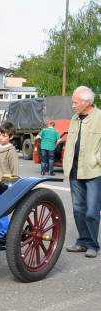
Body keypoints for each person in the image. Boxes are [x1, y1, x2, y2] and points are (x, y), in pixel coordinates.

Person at [64, 86, 101, 258]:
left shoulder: (99, 117)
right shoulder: (74, 118)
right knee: (78, 209)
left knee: (91, 210)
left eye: (75, 102)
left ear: (87, 102)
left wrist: (96, 159)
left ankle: (93, 245)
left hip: (93, 170)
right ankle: (83, 241)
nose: (73, 105)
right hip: (74, 170)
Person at [0, 121, 19, 236]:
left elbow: (15, 171)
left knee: (1, 210)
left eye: (4, 135)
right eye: (0, 135)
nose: (1, 138)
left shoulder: (11, 152)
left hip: (3, 186)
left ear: (11, 137)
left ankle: (3, 232)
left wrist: (13, 186)